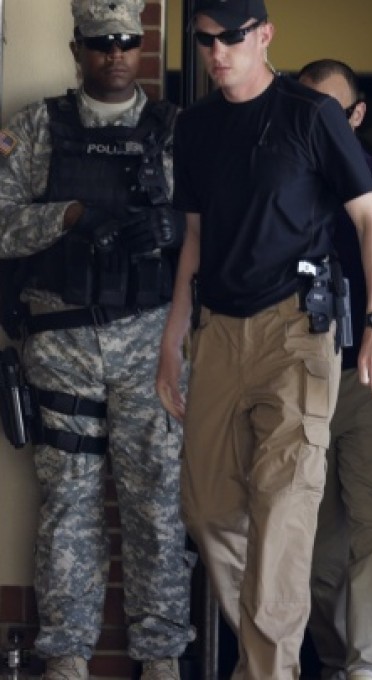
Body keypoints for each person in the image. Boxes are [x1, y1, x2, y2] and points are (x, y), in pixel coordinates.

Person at [155, 0, 372, 677]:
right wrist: (172, 340)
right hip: (218, 335)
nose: (216, 52)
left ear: (265, 36)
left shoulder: (309, 113)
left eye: (230, 38)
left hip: (297, 332)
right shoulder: (197, 126)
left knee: (284, 510)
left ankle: (268, 669)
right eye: (204, 41)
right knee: (206, 512)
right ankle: (271, 653)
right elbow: (195, 238)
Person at [0, 1, 194, 679]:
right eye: (100, 43)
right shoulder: (36, 129)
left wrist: (169, 231)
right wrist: (72, 216)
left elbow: (216, 230)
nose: (116, 54)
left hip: (150, 341)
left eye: (126, 42)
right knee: (68, 506)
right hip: (60, 337)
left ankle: (163, 654)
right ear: (77, 47)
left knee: (157, 503)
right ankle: (67, 654)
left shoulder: (175, 133)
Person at [296, 59, 372, 680]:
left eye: (332, 113)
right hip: (297, 382)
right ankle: (336, 659)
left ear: (357, 116)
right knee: (312, 556)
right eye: (307, 110)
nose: (319, 126)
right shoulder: (276, 185)